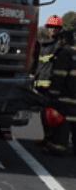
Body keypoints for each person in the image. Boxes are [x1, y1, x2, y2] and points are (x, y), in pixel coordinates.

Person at [44, 28, 76, 156]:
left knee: (63, 121)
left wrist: (52, 94)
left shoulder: (65, 53)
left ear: (65, 40)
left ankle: (58, 147)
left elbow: (59, 75)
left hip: (66, 96)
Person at [34, 15, 64, 148]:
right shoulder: (40, 44)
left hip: (53, 85)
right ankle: (46, 137)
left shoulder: (60, 46)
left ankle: (52, 139)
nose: (53, 30)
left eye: (55, 28)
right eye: (51, 27)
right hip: (41, 82)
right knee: (43, 113)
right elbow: (36, 63)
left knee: (53, 113)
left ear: (59, 29)